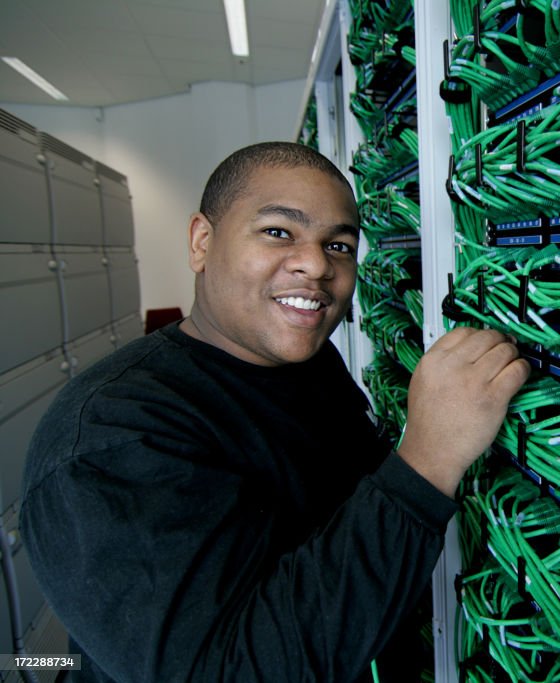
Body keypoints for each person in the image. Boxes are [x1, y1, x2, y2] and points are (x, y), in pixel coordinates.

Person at [20, 142, 530, 682]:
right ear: (201, 241)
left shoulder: (301, 365)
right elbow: (230, 672)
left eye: (338, 244)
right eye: (279, 232)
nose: (316, 264)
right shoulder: (113, 436)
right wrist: (429, 457)